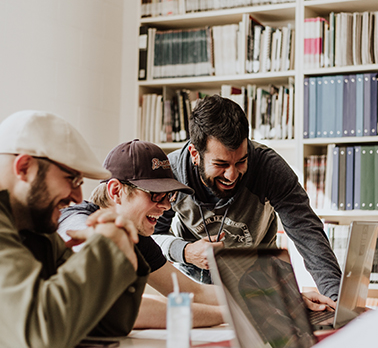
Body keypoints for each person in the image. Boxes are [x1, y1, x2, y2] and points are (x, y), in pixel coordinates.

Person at [153, 94, 342, 301]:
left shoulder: (269, 168)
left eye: (241, 161)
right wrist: (186, 252)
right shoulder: (171, 174)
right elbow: (151, 236)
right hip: (195, 292)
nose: (232, 175)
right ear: (195, 154)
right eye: (221, 165)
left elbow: (308, 234)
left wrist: (335, 300)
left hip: (259, 289)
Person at [0, 110, 149, 348]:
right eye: (72, 179)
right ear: (24, 167)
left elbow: (107, 326)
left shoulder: (38, 230)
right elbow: (41, 334)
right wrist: (107, 247)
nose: (78, 197)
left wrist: (121, 246)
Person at [58, 139, 224, 329]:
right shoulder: (75, 222)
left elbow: (193, 292)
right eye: (156, 194)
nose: (167, 206)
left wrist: (253, 299)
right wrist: (228, 315)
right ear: (116, 191)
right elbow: (122, 307)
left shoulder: (136, 236)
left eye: (169, 196)